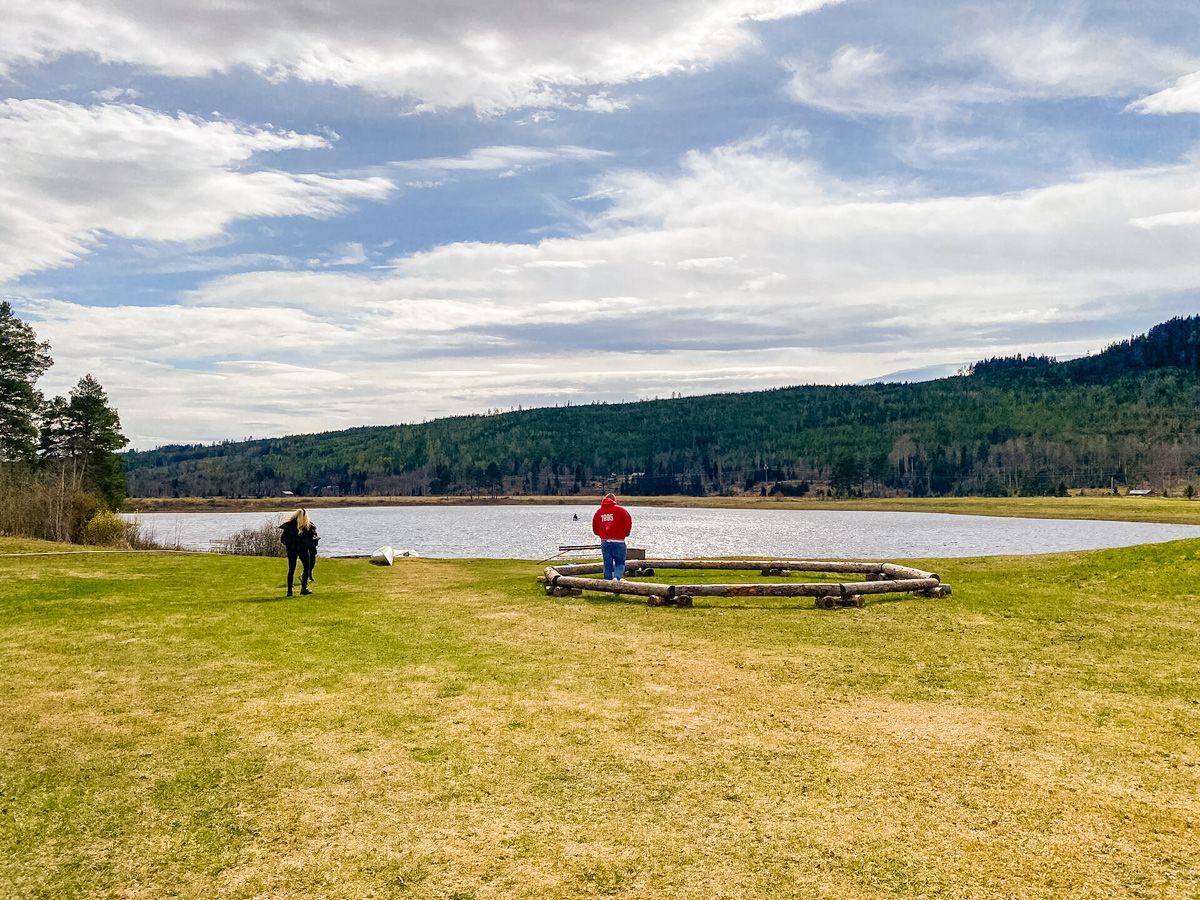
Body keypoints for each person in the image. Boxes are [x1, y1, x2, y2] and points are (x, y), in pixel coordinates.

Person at [592, 493, 632, 581]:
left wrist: (602, 533)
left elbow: (595, 529)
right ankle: (617, 578)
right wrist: (626, 533)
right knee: (620, 563)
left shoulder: (599, 512)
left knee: (607, 564)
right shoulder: (621, 510)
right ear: (614, 500)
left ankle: (608, 583)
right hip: (619, 541)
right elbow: (628, 523)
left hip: (605, 541)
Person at [279, 508, 319, 596]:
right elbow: (311, 541)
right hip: (303, 549)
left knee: (291, 569)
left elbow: (283, 539)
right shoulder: (307, 527)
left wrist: (289, 545)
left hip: (291, 550)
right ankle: (303, 588)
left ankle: (289, 591)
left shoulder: (288, 526)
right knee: (306, 568)